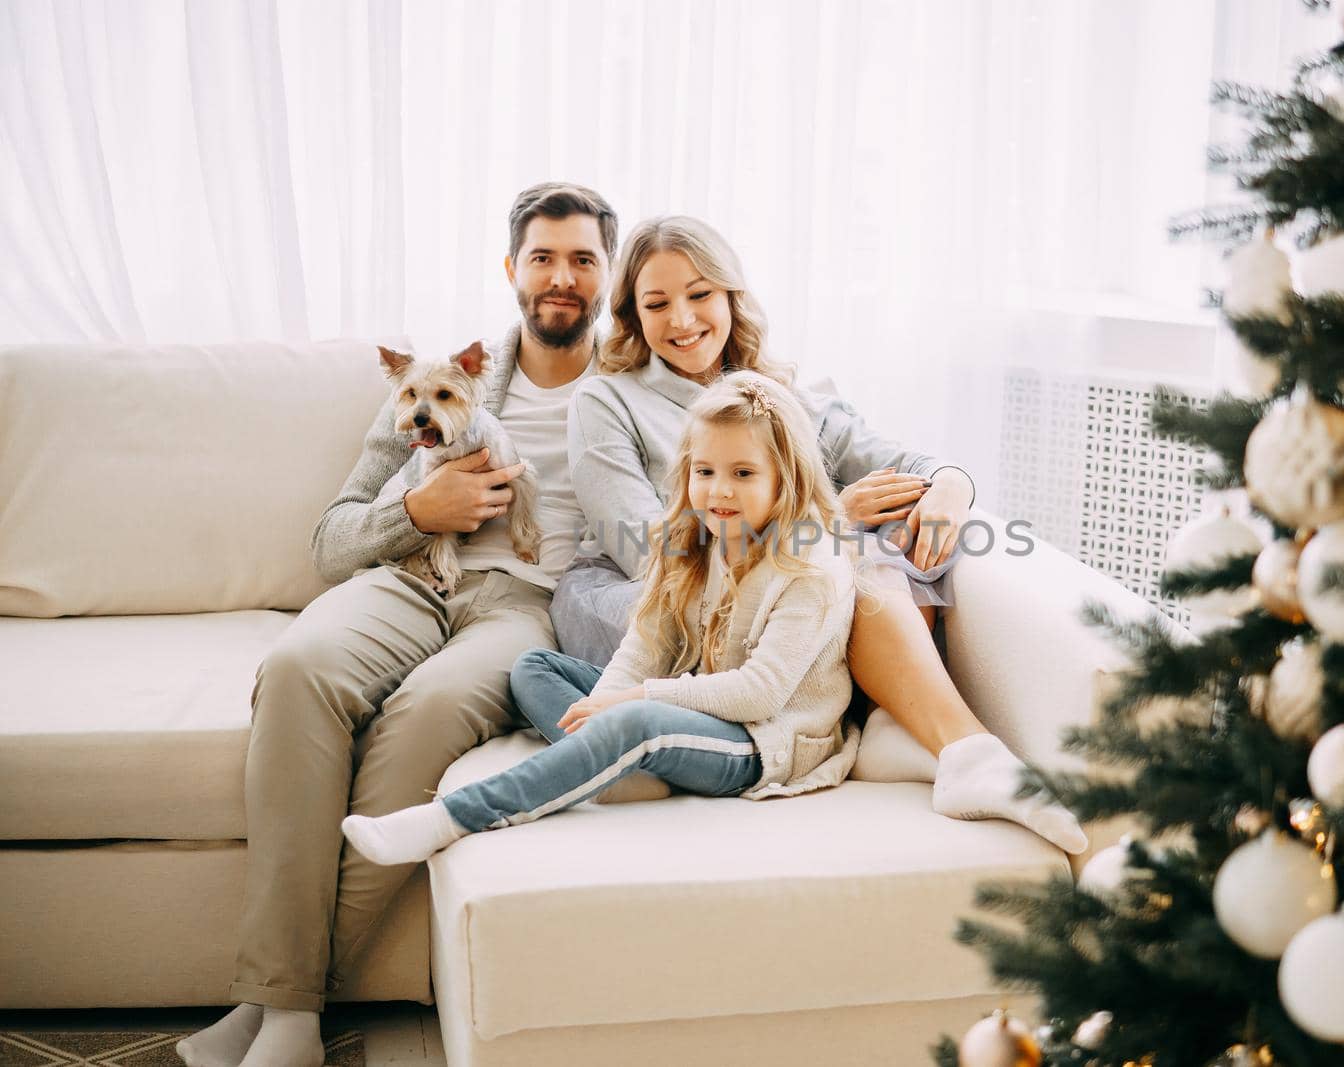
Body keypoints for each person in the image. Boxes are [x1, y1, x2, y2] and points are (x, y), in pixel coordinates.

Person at [176, 182, 618, 1067]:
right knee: (299, 667)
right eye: (543, 257)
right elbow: (332, 540)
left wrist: (932, 479)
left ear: (607, 274)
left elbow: (788, 431)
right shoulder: (434, 383)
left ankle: (283, 1000)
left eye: (582, 258)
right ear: (512, 270)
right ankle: (284, 1008)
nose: (561, 277)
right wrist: (419, 507)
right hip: (408, 576)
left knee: (427, 712)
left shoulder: (633, 383)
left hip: (527, 600)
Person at [552, 215, 1087, 854]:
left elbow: (902, 461)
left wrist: (950, 485)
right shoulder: (607, 400)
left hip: (763, 595)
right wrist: (828, 520)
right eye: (657, 303)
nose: (682, 319)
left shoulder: (782, 398)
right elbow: (653, 553)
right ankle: (946, 746)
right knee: (835, 556)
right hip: (641, 599)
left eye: (700, 295)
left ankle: (954, 750)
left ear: (730, 298)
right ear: (633, 317)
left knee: (865, 558)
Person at [339, 372, 859, 865]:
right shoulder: (694, 540)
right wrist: (601, 706)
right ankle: (616, 761)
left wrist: (636, 702)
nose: (719, 491)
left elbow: (760, 693)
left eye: (743, 474)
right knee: (534, 669)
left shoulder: (812, 567)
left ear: (785, 476)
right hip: (700, 705)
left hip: (761, 740)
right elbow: (644, 647)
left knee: (636, 719)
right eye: (705, 472)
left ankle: (453, 816)